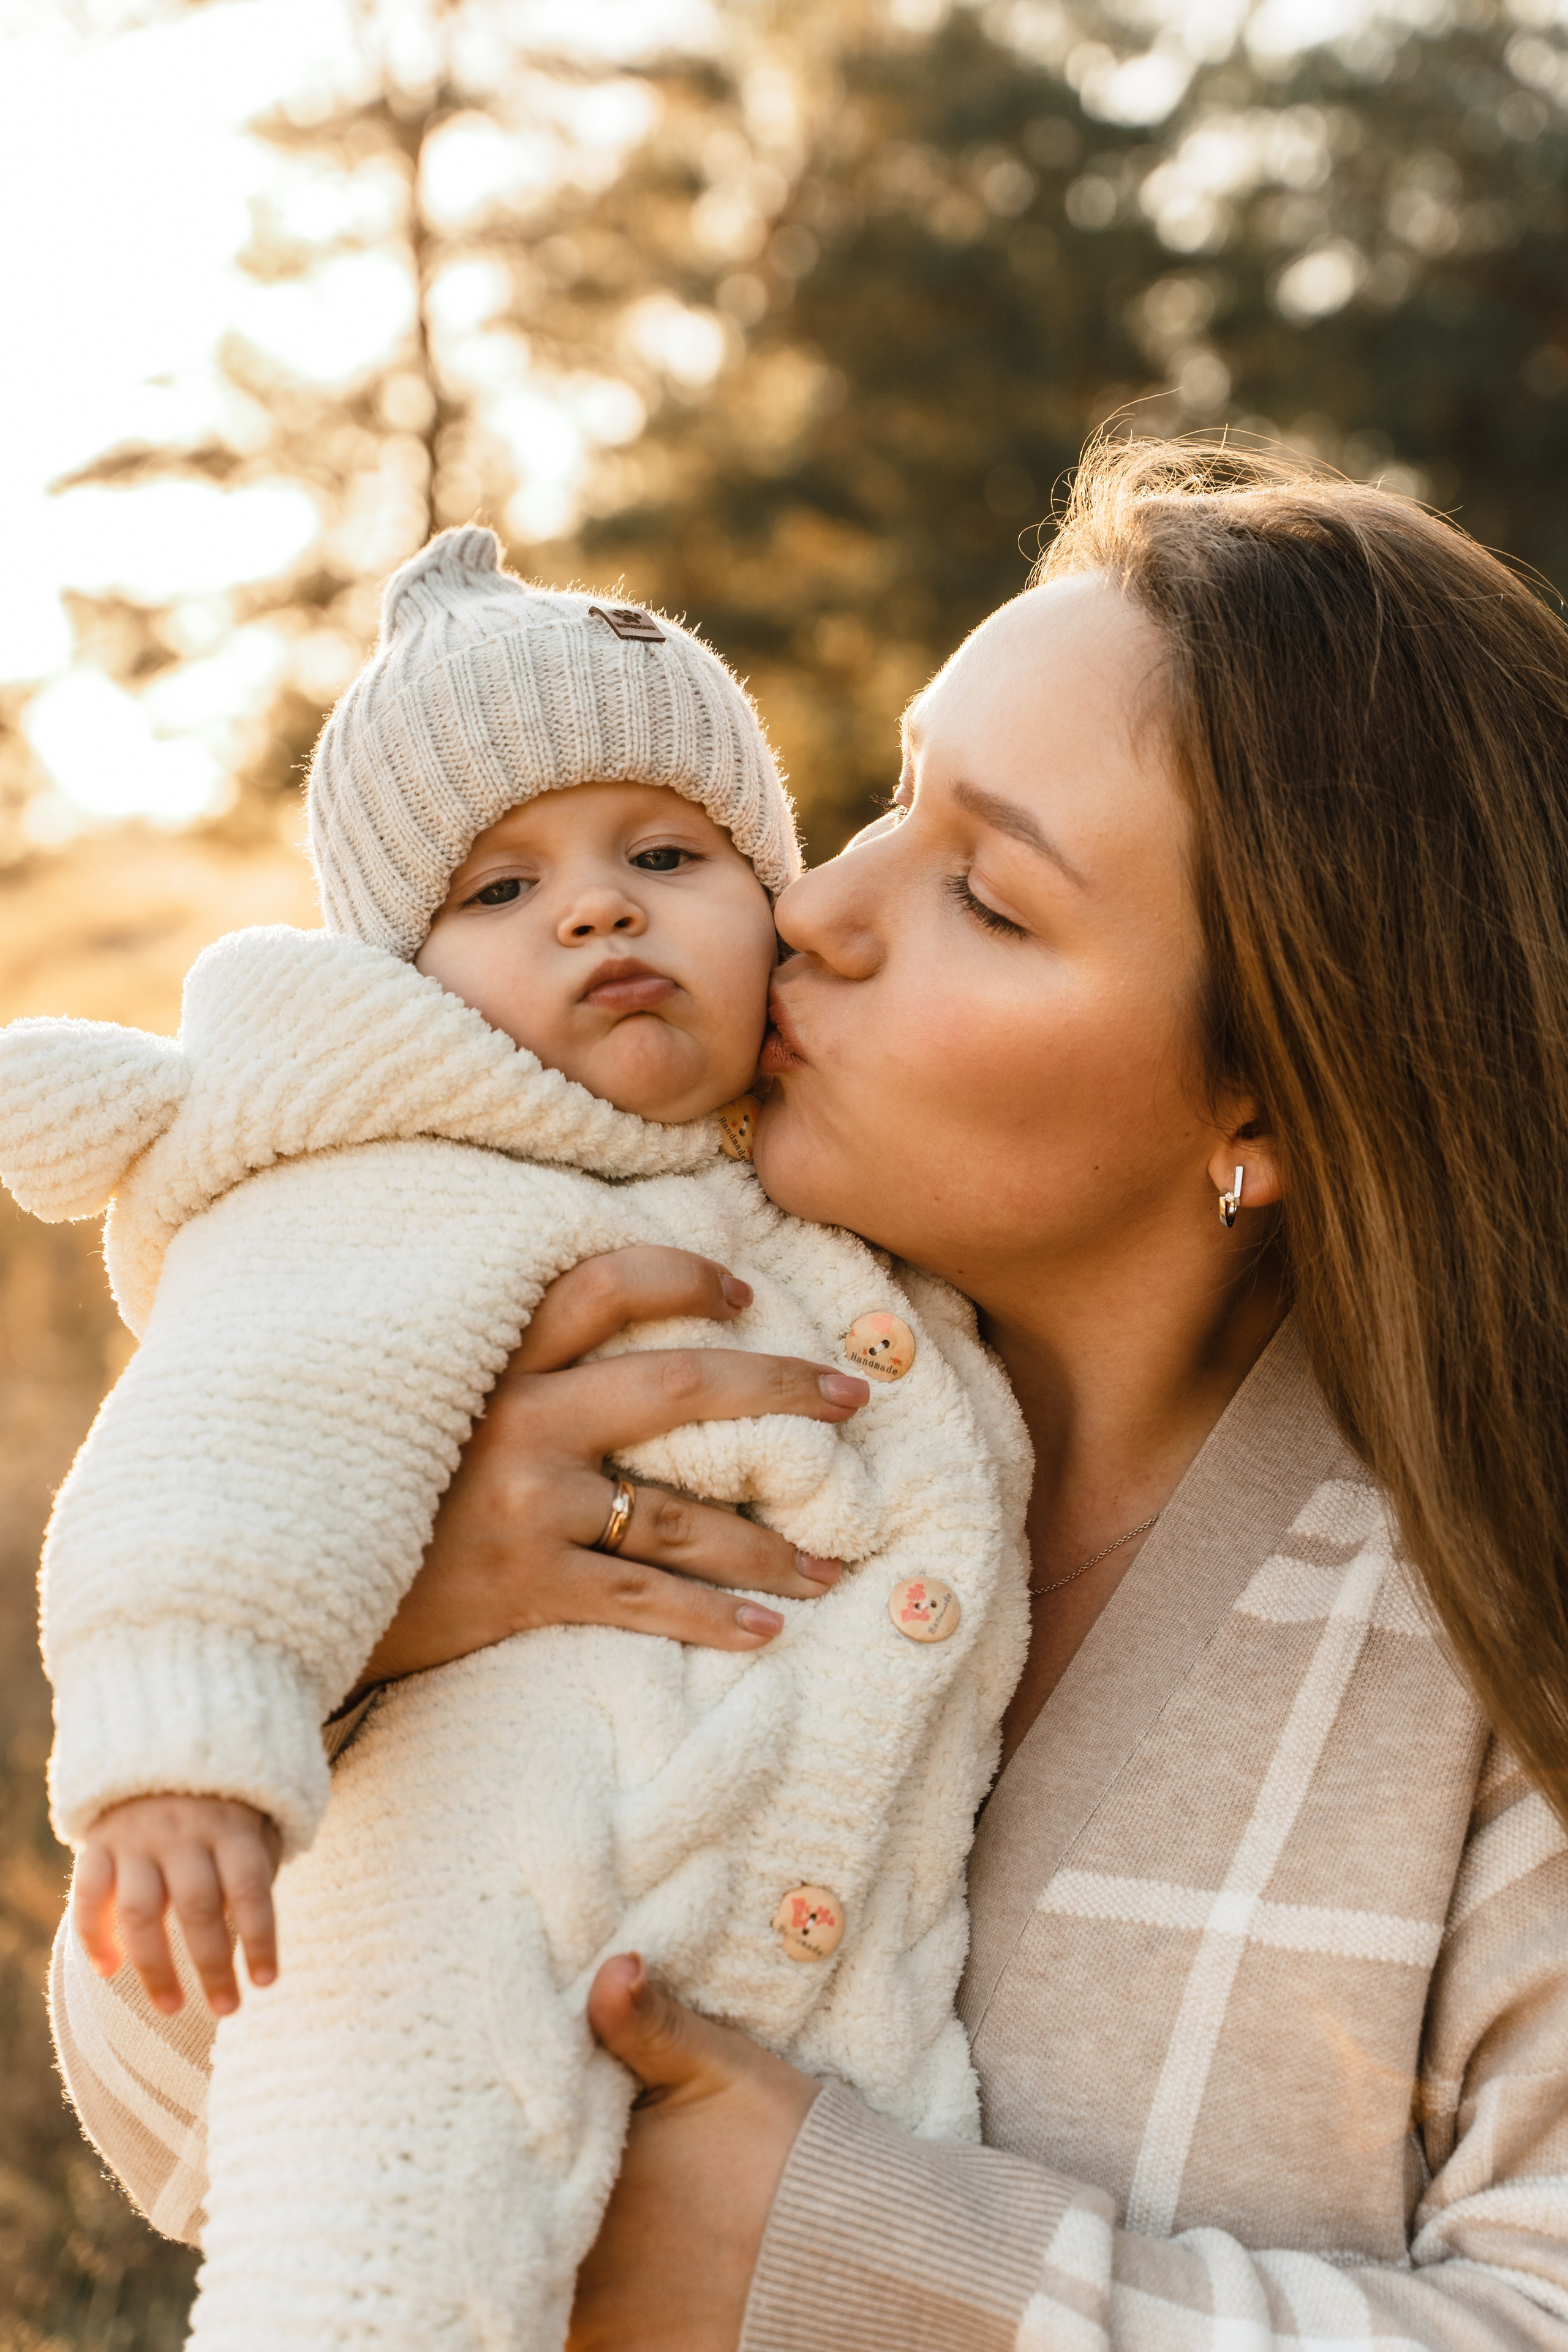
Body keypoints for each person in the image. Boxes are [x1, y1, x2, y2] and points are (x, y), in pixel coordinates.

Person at [49, 440, 1568, 2352]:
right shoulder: (616, 1377)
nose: (821, 905)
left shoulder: (1494, 1646)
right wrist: (362, 1656)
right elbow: (182, 2126)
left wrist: (837, 2262)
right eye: (887, 803)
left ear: (1269, 1092)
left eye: (990, 899)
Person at [1, 529, 1031, 2350]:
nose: (597, 912)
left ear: (771, 896)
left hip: (800, 1974)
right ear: (402, 978)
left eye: (666, 855)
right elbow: (240, 1428)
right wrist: (189, 1741)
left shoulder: (834, 1180)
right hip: (448, 1912)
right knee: (383, 2268)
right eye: (498, 891)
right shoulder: (404, 1186)